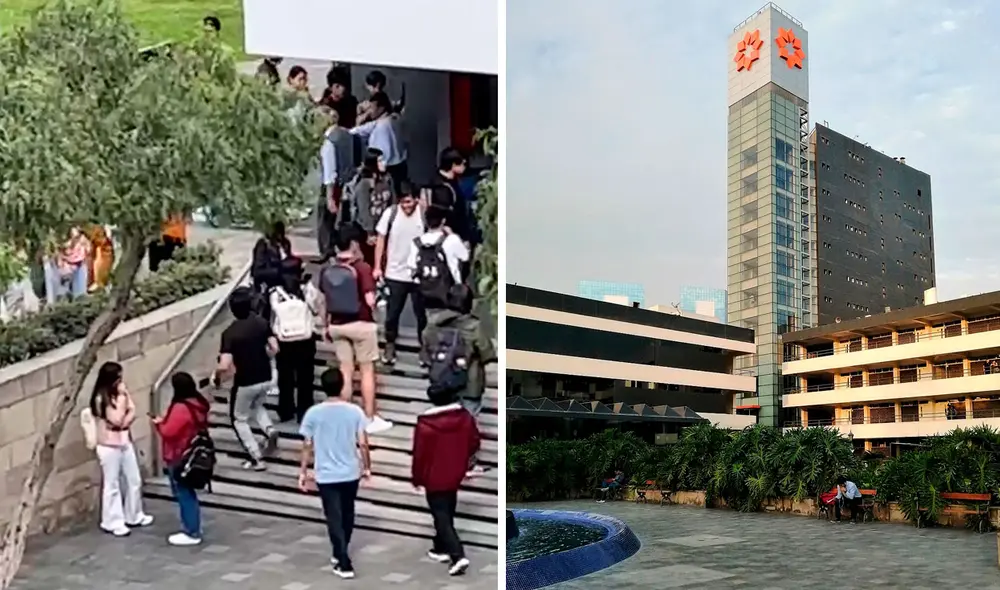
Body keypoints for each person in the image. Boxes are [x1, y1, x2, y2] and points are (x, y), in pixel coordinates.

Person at [298, 369, 371, 579]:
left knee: (334, 516)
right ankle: (341, 552)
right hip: (350, 471)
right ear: (342, 386)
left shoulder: (313, 413)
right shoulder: (354, 411)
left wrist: (303, 472)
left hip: (326, 473)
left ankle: (342, 558)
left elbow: (307, 444)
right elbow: (363, 443)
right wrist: (367, 468)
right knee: (348, 513)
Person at [319, 228, 393, 434]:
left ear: (335, 247)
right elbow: (370, 301)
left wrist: (326, 325)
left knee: (345, 371)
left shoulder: (327, 270)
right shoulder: (361, 268)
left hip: (337, 325)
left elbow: (323, 301)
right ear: (353, 245)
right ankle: (369, 418)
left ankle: (345, 417)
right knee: (367, 370)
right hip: (361, 324)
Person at [422, 284, 495, 475]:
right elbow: (487, 353)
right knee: (467, 426)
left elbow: (426, 347)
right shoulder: (474, 326)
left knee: (445, 423)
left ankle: (446, 459)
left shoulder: (434, 322)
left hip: (443, 382)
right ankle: (468, 464)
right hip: (469, 384)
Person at [411, 385, 479, 576]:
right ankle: (440, 547)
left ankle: (457, 555)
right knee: (446, 510)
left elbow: (420, 455)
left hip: (434, 476)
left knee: (441, 515)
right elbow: (474, 441)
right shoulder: (465, 418)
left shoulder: (425, 424)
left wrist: (417, 478)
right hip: (455, 472)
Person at [217, 287, 280, 470]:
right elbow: (275, 348)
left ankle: (256, 457)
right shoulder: (261, 322)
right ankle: (269, 430)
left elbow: (225, 364)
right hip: (266, 376)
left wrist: (217, 376)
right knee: (257, 406)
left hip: (245, 381)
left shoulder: (229, 333)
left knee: (239, 419)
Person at [89, 362, 154, 536]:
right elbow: (117, 419)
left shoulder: (121, 394)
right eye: (118, 378)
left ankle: (134, 514)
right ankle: (112, 521)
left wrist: (126, 411)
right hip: (108, 445)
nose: (121, 381)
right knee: (112, 484)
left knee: (134, 479)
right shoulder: (101, 398)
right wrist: (123, 401)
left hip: (124, 442)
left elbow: (132, 411)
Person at [152, 372, 211, 546]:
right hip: (192, 452)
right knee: (188, 492)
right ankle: (193, 527)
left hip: (179, 454)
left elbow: (168, 432)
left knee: (184, 493)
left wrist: (159, 423)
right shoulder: (199, 403)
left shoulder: (181, 407)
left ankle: (191, 531)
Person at [374, 181, 426, 365]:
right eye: (403, 203)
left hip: (418, 273)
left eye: (410, 202)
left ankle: (424, 348)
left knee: (422, 314)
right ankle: (390, 346)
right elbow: (381, 239)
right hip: (395, 272)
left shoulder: (423, 214)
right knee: (392, 313)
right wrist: (377, 266)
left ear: (417, 200)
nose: (406, 207)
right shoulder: (391, 214)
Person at [271, 256, 321, 423]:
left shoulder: (276, 292)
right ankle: (304, 412)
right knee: (305, 378)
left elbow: (273, 315)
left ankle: (285, 411)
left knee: (285, 377)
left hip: (284, 340)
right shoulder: (307, 289)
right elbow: (315, 309)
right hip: (305, 339)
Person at [407, 206, 469, 311]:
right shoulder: (451, 239)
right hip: (451, 295)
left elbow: (411, 270)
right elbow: (465, 257)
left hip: (426, 296)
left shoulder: (416, 243)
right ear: (443, 221)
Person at [317, 108, 357, 255]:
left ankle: (326, 250)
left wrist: (329, 197)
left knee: (325, 220)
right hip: (347, 182)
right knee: (342, 218)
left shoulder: (329, 142)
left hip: (333, 186)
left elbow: (329, 171)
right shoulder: (347, 134)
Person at [349, 92, 408, 191]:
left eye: (372, 108)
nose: (370, 111)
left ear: (381, 108)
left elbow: (355, 132)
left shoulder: (381, 125)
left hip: (387, 168)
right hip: (401, 165)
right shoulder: (395, 119)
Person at [347, 147, 395, 266]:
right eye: (380, 161)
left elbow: (393, 200)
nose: (384, 163)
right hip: (368, 231)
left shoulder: (387, 180)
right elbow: (363, 210)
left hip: (385, 227)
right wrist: (370, 232)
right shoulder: (364, 184)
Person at [45, 226, 91, 303]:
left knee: (80, 298)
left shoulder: (82, 246)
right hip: (59, 268)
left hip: (77, 266)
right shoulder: (56, 253)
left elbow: (88, 248)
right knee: (56, 298)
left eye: (77, 237)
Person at [252, 221, 292, 293]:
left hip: (283, 282)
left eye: (282, 232)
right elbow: (257, 272)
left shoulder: (286, 243)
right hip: (266, 284)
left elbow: (288, 259)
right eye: (277, 232)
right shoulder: (263, 244)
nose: (280, 236)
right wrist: (279, 271)